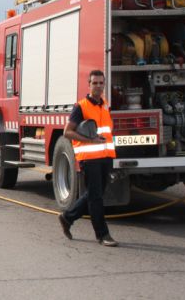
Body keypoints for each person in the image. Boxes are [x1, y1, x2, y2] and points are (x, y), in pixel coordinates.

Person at [58, 70, 119, 247]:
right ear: (89, 85)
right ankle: (103, 234)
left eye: (101, 83)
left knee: (95, 193)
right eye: (95, 83)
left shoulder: (105, 105)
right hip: (89, 158)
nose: (98, 86)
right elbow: (67, 132)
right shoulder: (81, 106)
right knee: (96, 198)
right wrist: (90, 140)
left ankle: (67, 217)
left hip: (106, 156)